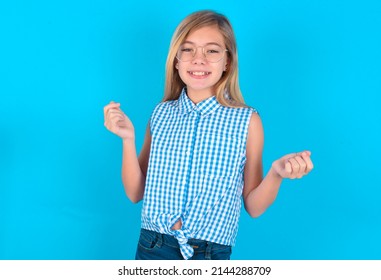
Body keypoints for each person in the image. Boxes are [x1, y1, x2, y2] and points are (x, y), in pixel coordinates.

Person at [103, 10, 313, 260]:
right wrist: (128, 139)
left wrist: (276, 173)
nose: (198, 59)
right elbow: (135, 193)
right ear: (176, 60)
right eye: (188, 49)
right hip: (152, 246)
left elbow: (254, 207)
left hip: (210, 253)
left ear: (227, 62)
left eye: (212, 51)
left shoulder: (248, 121)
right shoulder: (160, 114)